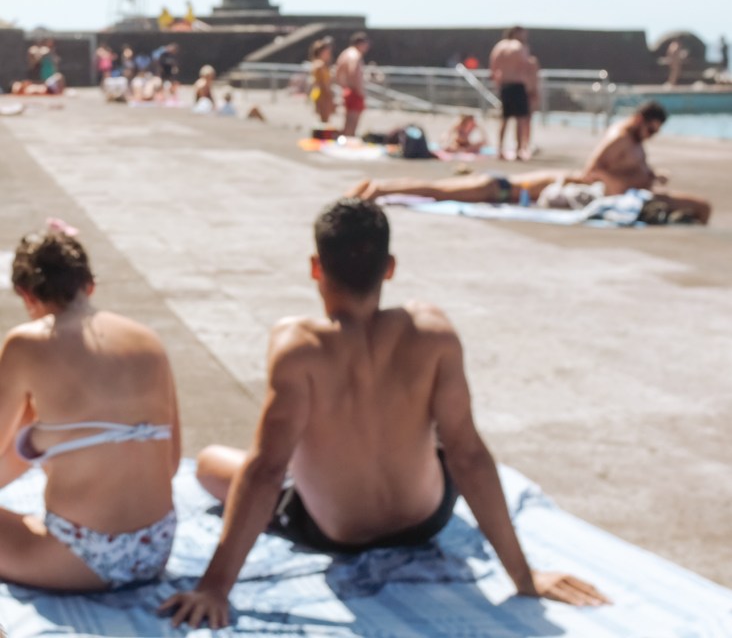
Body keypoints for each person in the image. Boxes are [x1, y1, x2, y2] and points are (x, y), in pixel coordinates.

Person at [161, 199, 607, 628]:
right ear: (389, 267)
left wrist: (215, 587)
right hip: (426, 518)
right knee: (438, 429)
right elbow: (468, 454)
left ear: (316, 267)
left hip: (338, 532)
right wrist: (524, 577)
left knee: (211, 463)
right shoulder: (433, 331)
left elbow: (265, 470)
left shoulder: (299, 347)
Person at [0, 225, 180, 589]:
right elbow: (172, 460)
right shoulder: (147, 338)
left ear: (26, 294)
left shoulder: (27, 344)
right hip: (155, 547)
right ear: (90, 285)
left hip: (81, 556)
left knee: (33, 422)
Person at [347, 102, 711, 224]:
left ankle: (380, 189)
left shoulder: (633, 141)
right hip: (508, 191)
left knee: (441, 191)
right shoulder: (619, 138)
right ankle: (379, 188)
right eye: (651, 129)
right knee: (440, 191)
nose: (652, 135)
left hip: (513, 191)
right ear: (641, 119)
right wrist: (624, 179)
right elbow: (592, 170)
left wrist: (648, 174)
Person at [489, 27, 533, 161]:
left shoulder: (499, 47)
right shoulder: (519, 47)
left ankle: (500, 149)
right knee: (520, 119)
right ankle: (519, 150)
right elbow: (526, 66)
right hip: (517, 84)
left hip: (505, 85)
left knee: (504, 118)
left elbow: (493, 68)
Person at [335, 32, 370, 137]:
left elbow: (337, 73)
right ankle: (348, 142)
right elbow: (354, 71)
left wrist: (344, 86)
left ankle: (345, 140)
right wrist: (360, 91)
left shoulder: (344, 54)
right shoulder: (355, 55)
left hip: (347, 90)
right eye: (366, 44)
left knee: (347, 123)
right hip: (354, 91)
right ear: (360, 43)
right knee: (352, 125)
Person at [308, 37, 335, 124]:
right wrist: (330, 96)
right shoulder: (320, 65)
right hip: (322, 94)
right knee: (324, 120)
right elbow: (324, 84)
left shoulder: (316, 63)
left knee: (322, 119)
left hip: (318, 93)